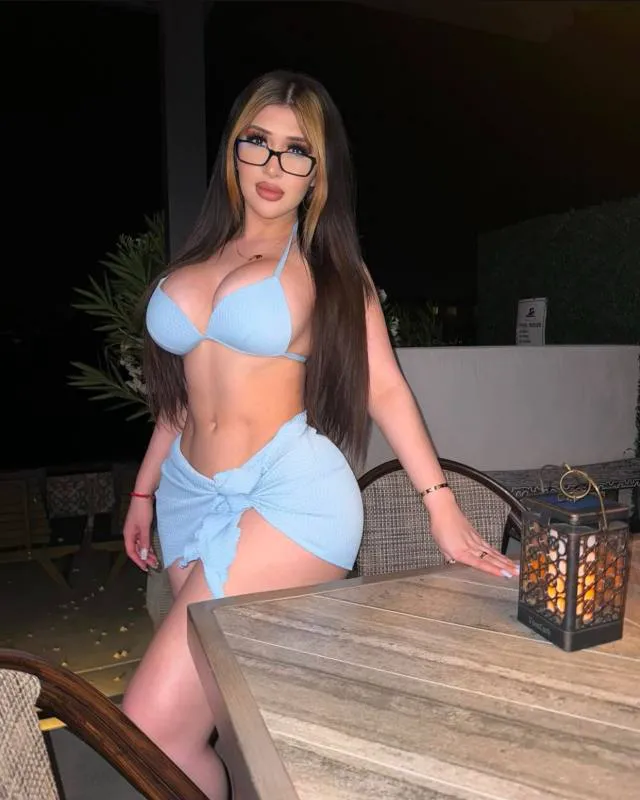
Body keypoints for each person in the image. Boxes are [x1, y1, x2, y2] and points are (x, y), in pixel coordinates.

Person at [121, 70, 518, 799]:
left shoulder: (330, 268)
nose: (274, 165)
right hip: (187, 496)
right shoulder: (198, 258)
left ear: (319, 172)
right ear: (233, 150)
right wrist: (144, 491)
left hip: (286, 499)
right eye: (258, 142)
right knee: (208, 720)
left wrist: (442, 507)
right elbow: (181, 403)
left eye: (297, 150)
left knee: (149, 724)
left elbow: (385, 388)